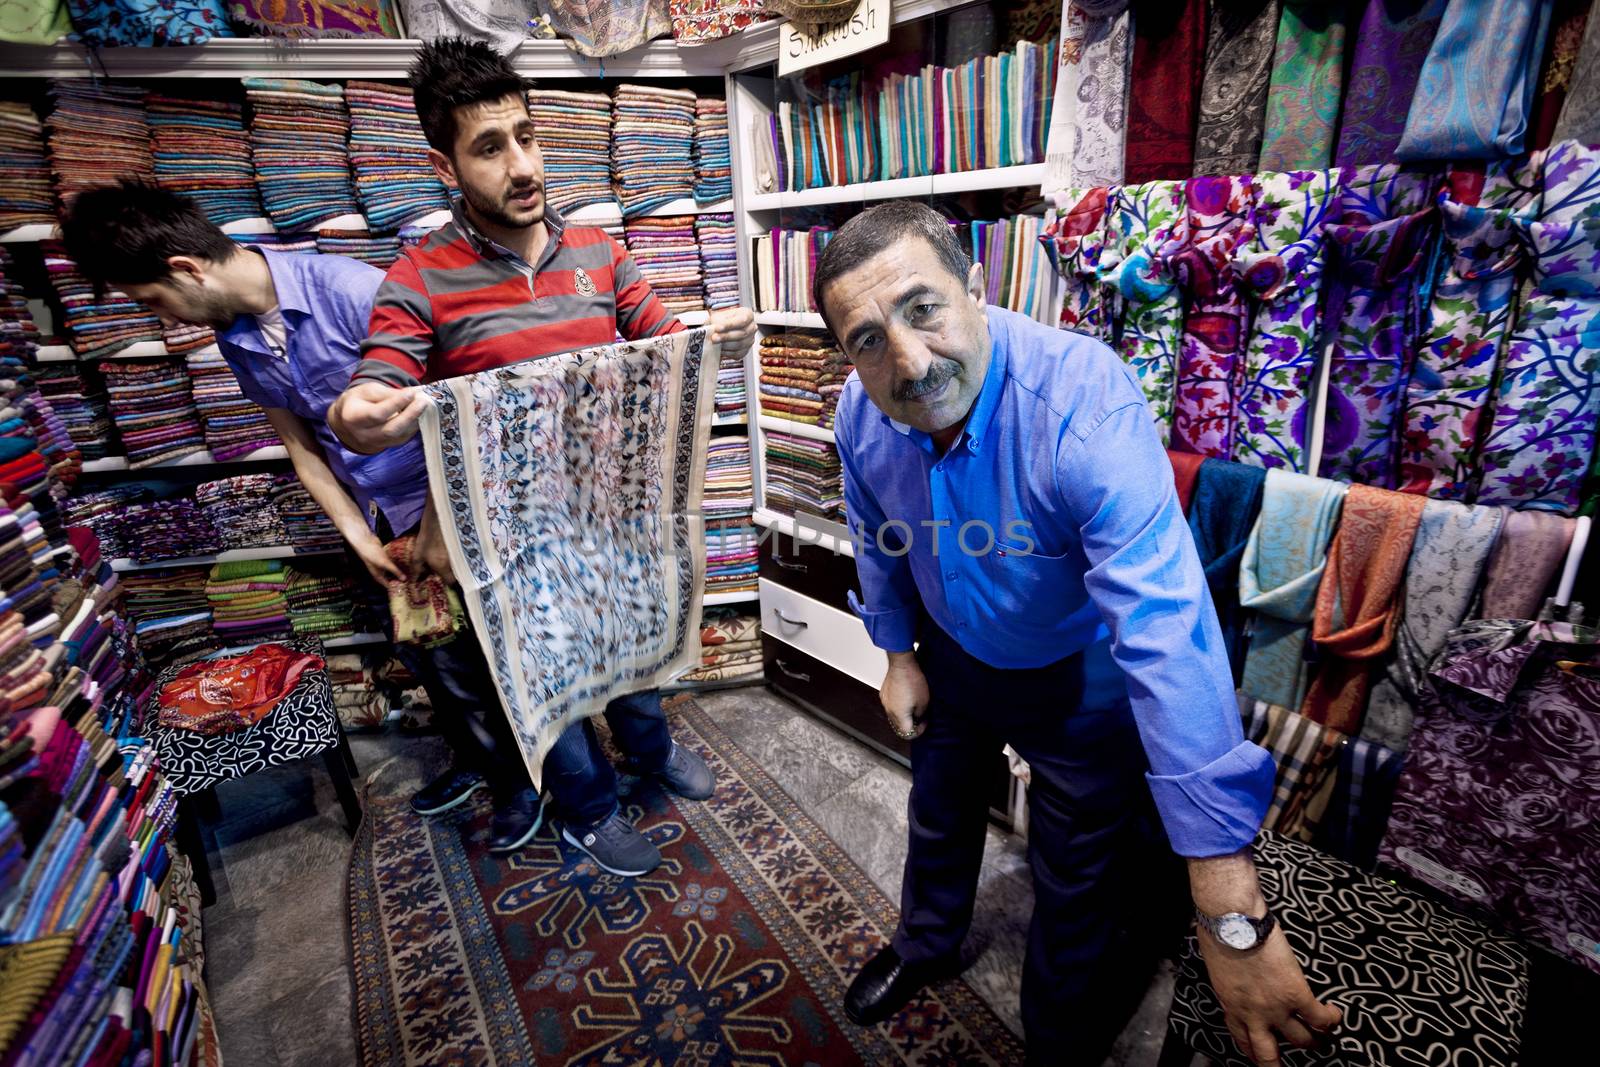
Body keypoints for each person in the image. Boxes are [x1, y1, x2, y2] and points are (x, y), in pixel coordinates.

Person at [813, 202, 1342, 1066]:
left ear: (977, 288)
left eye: (923, 308)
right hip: (953, 653)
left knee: (1075, 871)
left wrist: (1225, 898)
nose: (908, 361)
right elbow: (875, 529)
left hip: (1076, 677)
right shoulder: (859, 411)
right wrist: (899, 654)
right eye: (868, 339)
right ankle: (926, 943)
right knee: (939, 812)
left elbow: (1167, 623)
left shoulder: (1084, 403)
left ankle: (1058, 1039)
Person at [328, 37, 757, 877]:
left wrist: (713, 345)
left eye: (527, 136)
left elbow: (661, 350)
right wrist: (360, 414)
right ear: (445, 165)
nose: (521, 165)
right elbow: (374, 386)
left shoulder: (599, 251)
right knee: (544, 681)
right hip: (512, 541)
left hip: (611, 508)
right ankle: (588, 810)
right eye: (490, 147)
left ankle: (651, 751)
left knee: (632, 647)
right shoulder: (419, 277)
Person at [60, 181, 545, 855]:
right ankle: (480, 759)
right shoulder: (237, 337)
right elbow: (299, 442)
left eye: (153, 301)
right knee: (426, 648)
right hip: (375, 513)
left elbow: (459, 413)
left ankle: (525, 781)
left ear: (186, 269)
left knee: (485, 650)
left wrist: (433, 526)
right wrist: (356, 533)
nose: (162, 317)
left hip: (442, 501)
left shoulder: (350, 290)